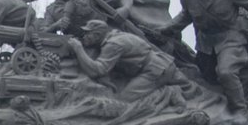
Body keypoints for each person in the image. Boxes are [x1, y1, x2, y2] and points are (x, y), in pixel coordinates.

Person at [66, 20, 194, 102]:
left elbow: (98, 70)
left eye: (87, 33)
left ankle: (169, 93)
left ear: (97, 35)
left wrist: (78, 49)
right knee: (192, 90)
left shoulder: (113, 44)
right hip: (160, 65)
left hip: (155, 71)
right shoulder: (115, 37)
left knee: (124, 100)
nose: (84, 37)